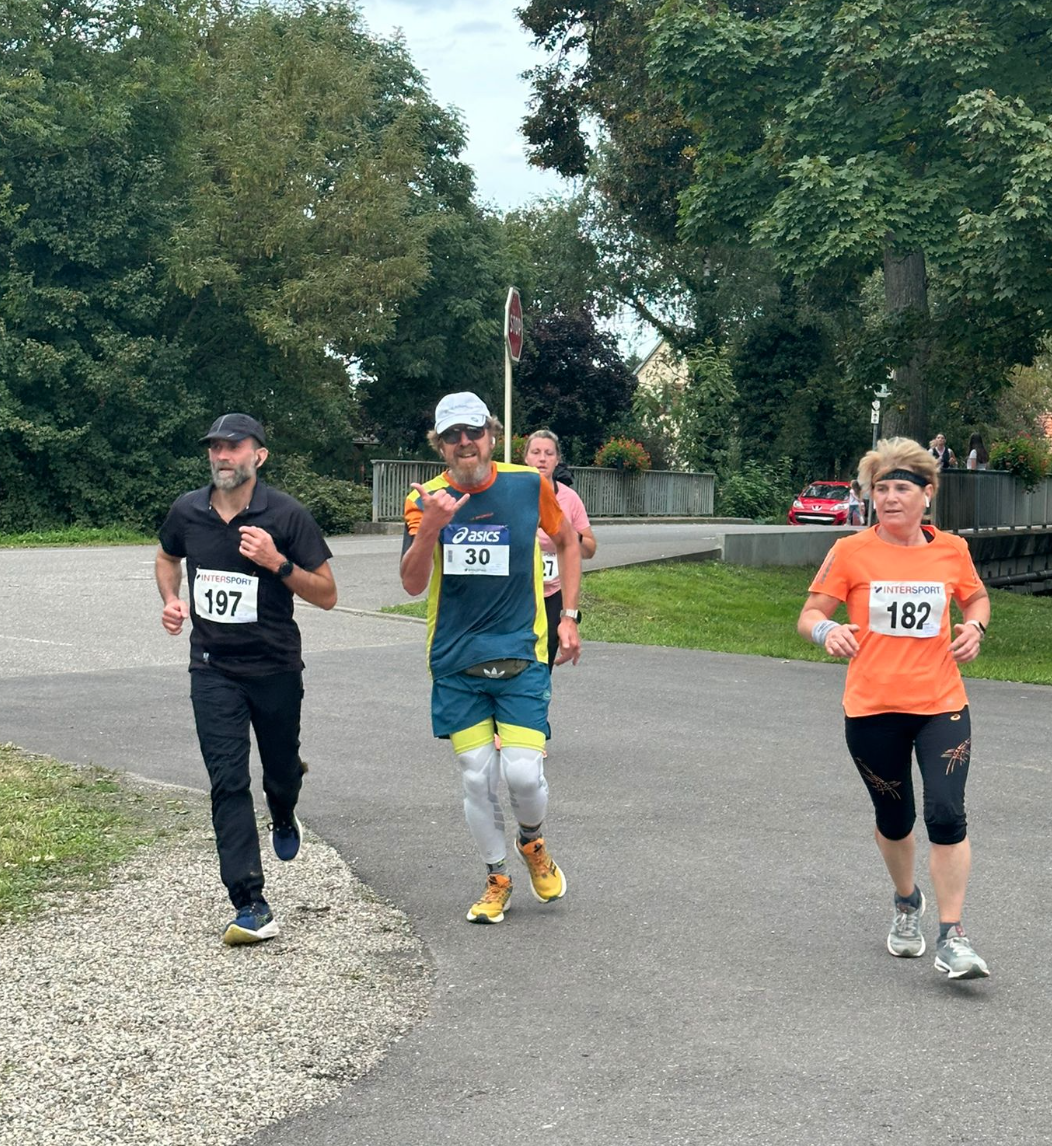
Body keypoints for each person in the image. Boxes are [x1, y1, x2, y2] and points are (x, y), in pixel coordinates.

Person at [796, 437, 991, 980]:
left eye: (902, 488)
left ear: (927, 494)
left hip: (941, 704)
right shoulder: (850, 551)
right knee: (895, 818)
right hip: (872, 708)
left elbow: (975, 597)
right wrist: (827, 631)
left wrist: (975, 626)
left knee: (946, 813)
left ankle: (953, 935)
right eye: (880, 489)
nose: (889, 498)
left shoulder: (952, 550)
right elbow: (809, 614)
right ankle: (907, 902)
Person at [155, 413, 337, 945]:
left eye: (233, 447)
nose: (222, 455)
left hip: (275, 668)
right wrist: (170, 599)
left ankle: (283, 809)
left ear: (259, 455)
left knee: (280, 771)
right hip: (213, 669)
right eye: (215, 447)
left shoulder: (286, 514)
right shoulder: (188, 510)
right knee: (227, 780)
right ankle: (250, 903)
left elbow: (328, 594)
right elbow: (166, 556)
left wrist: (277, 562)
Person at [400, 392, 582, 924]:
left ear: (492, 435)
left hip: (520, 651)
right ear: (439, 445)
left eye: (473, 432)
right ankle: (496, 877)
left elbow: (569, 542)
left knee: (523, 775)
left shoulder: (529, 484)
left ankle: (532, 841)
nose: (464, 443)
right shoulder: (425, 498)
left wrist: (570, 616)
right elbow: (411, 584)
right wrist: (431, 526)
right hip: (456, 659)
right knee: (477, 778)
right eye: (451, 435)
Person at [523, 429, 597, 669]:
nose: (542, 459)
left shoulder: (569, 498)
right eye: (536, 452)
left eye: (549, 453)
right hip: (522, 590)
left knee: (544, 659)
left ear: (557, 460)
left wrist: (568, 536)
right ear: (526, 458)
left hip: (554, 591)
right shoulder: (515, 494)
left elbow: (590, 549)